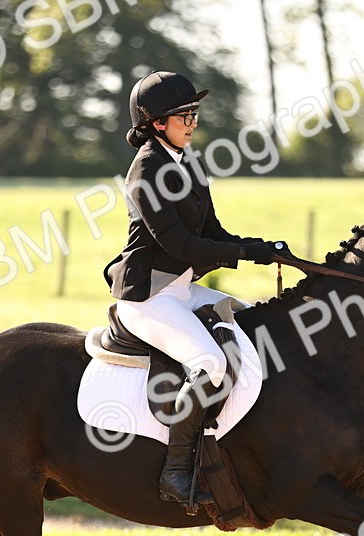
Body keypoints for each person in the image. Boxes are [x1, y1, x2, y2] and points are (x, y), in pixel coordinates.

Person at [102, 70, 285, 508]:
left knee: (248, 322)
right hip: (148, 296)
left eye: (193, 113)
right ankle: (176, 472)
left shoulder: (189, 163)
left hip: (180, 289)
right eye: (183, 115)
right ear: (156, 123)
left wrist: (259, 247)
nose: (192, 121)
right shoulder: (146, 170)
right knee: (210, 362)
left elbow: (212, 231)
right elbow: (179, 244)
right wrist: (242, 253)